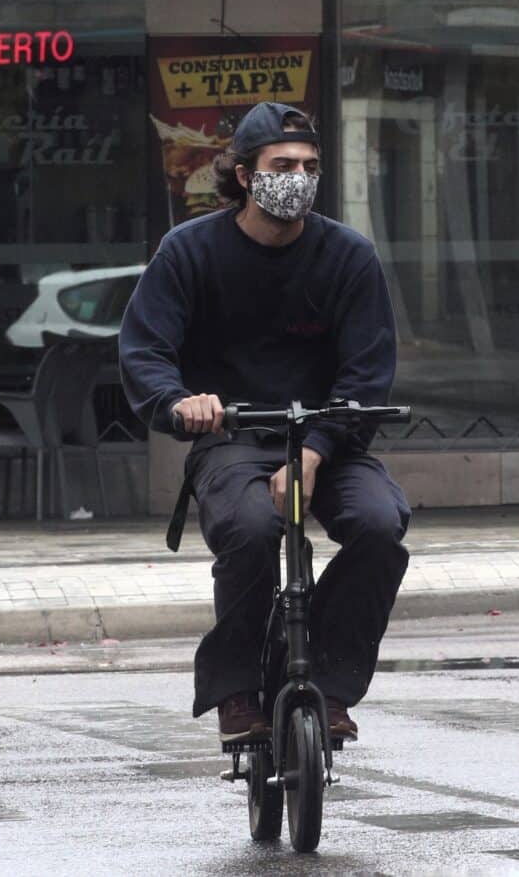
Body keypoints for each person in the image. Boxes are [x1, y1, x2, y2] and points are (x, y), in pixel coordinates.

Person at [120, 102, 407, 747]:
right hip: (234, 439)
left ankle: (329, 684)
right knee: (250, 529)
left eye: (309, 167)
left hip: (330, 439)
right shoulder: (189, 251)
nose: (298, 178)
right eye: (283, 165)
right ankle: (238, 692)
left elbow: (367, 371)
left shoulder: (349, 256)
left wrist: (318, 451)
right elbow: (145, 351)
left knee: (380, 525)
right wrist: (179, 401)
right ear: (245, 175)